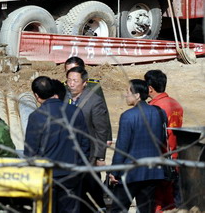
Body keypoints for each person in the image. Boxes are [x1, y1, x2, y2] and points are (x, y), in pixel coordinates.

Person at [25, 76, 90, 213]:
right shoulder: (75, 111)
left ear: (36, 96)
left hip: (47, 177)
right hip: (72, 174)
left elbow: (30, 152)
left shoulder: (37, 116)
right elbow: (85, 144)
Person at [109, 79, 165, 213]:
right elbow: (162, 140)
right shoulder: (160, 113)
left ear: (137, 95)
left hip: (131, 172)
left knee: (118, 208)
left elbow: (122, 147)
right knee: (145, 209)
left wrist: (114, 172)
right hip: (152, 171)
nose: (125, 95)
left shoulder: (128, 116)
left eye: (128, 91)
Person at [66, 66, 112, 212]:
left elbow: (101, 130)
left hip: (89, 153)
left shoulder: (94, 101)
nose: (71, 84)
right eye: (69, 80)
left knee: (90, 186)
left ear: (85, 83)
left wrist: (100, 156)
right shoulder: (64, 97)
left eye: (75, 81)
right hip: (68, 152)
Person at [145, 69, 184, 210]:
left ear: (149, 88)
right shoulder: (176, 104)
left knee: (157, 201)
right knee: (171, 201)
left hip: (158, 160)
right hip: (175, 158)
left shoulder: (153, 108)